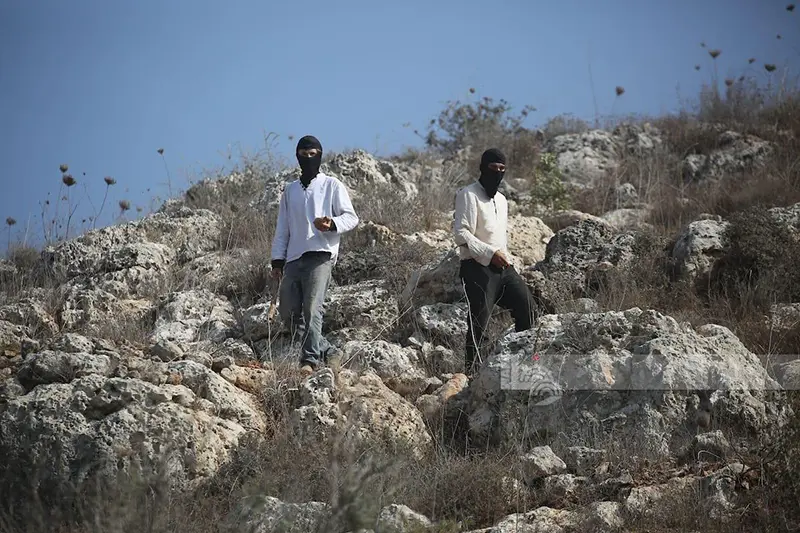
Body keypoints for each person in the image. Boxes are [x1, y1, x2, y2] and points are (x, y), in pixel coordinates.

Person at [270, 135, 359, 376]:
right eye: (303, 154)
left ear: (320, 155)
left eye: (313, 154)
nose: (308, 158)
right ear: (297, 156)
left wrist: (331, 224)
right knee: (288, 313)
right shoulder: (289, 191)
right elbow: (282, 229)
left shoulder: (332, 185)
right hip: (293, 258)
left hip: (321, 255)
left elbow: (351, 217)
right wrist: (277, 260)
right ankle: (328, 351)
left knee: (311, 309)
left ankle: (308, 361)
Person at [453, 148, 538, 376]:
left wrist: (504, 259)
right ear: (482, 167)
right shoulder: (468, 194)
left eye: (502, 169)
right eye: (493, 168)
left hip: (503, 267)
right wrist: (490, 253)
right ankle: (472, 376)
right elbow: (461, 234)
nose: (498, 173)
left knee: (528, 309)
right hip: (476, 267)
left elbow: (501, 236)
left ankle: (523, 366)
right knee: (479, 322)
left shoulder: (502, 200)